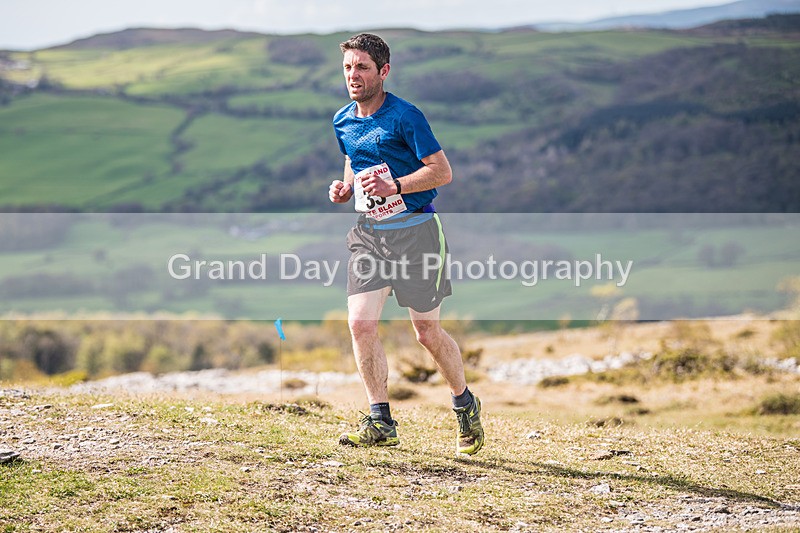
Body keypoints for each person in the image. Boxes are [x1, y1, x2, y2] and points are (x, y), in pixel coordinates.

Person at [328, 33, 484, 455]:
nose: (353, 76)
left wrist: (395, 183)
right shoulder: (343, 119)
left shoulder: (405, 116)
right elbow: (354, 159)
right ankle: (381, 420)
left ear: (383, 71)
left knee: (427, 333)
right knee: (360, 324)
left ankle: (465, 405)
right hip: (370, 235)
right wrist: (345, 187)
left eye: (361, 67)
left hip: (417, 233)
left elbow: (441, 172)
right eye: (347, 68)